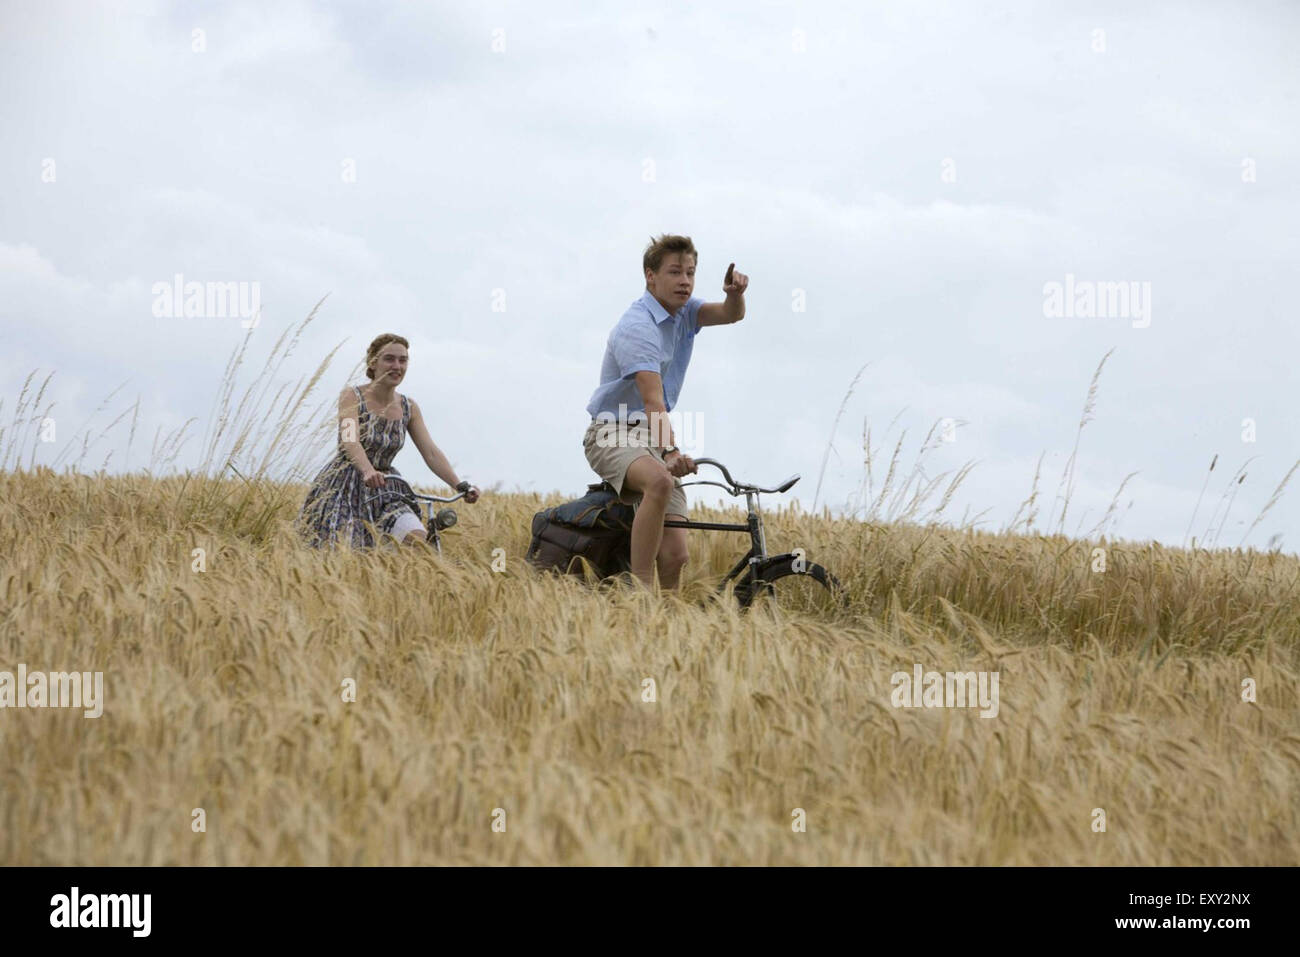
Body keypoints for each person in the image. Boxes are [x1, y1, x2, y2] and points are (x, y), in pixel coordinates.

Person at [582, 234, 748, 590]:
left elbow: (730, 315)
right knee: (659, 480)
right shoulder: (637, 326)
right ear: (650, 276)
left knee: (675, 556)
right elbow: (653, 400)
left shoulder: (684, 312)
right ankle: (641, 597)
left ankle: (666, 628)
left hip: (653, 434)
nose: (685, 281)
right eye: (675, 272)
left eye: (690, 272)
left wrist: (734, 296)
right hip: (613, 431)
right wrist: (670, 452)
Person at [298, 333, 480, 549]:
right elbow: (349, 440)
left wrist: (459, 485)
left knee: (417, 540)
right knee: (345, 551)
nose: (397, 366)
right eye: (389, 359)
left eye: (403, 360)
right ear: (373, 363)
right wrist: (367, 470)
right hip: (346, 484)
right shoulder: (351, 396)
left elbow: (430, 451)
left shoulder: (408, 407)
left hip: (389, 488)